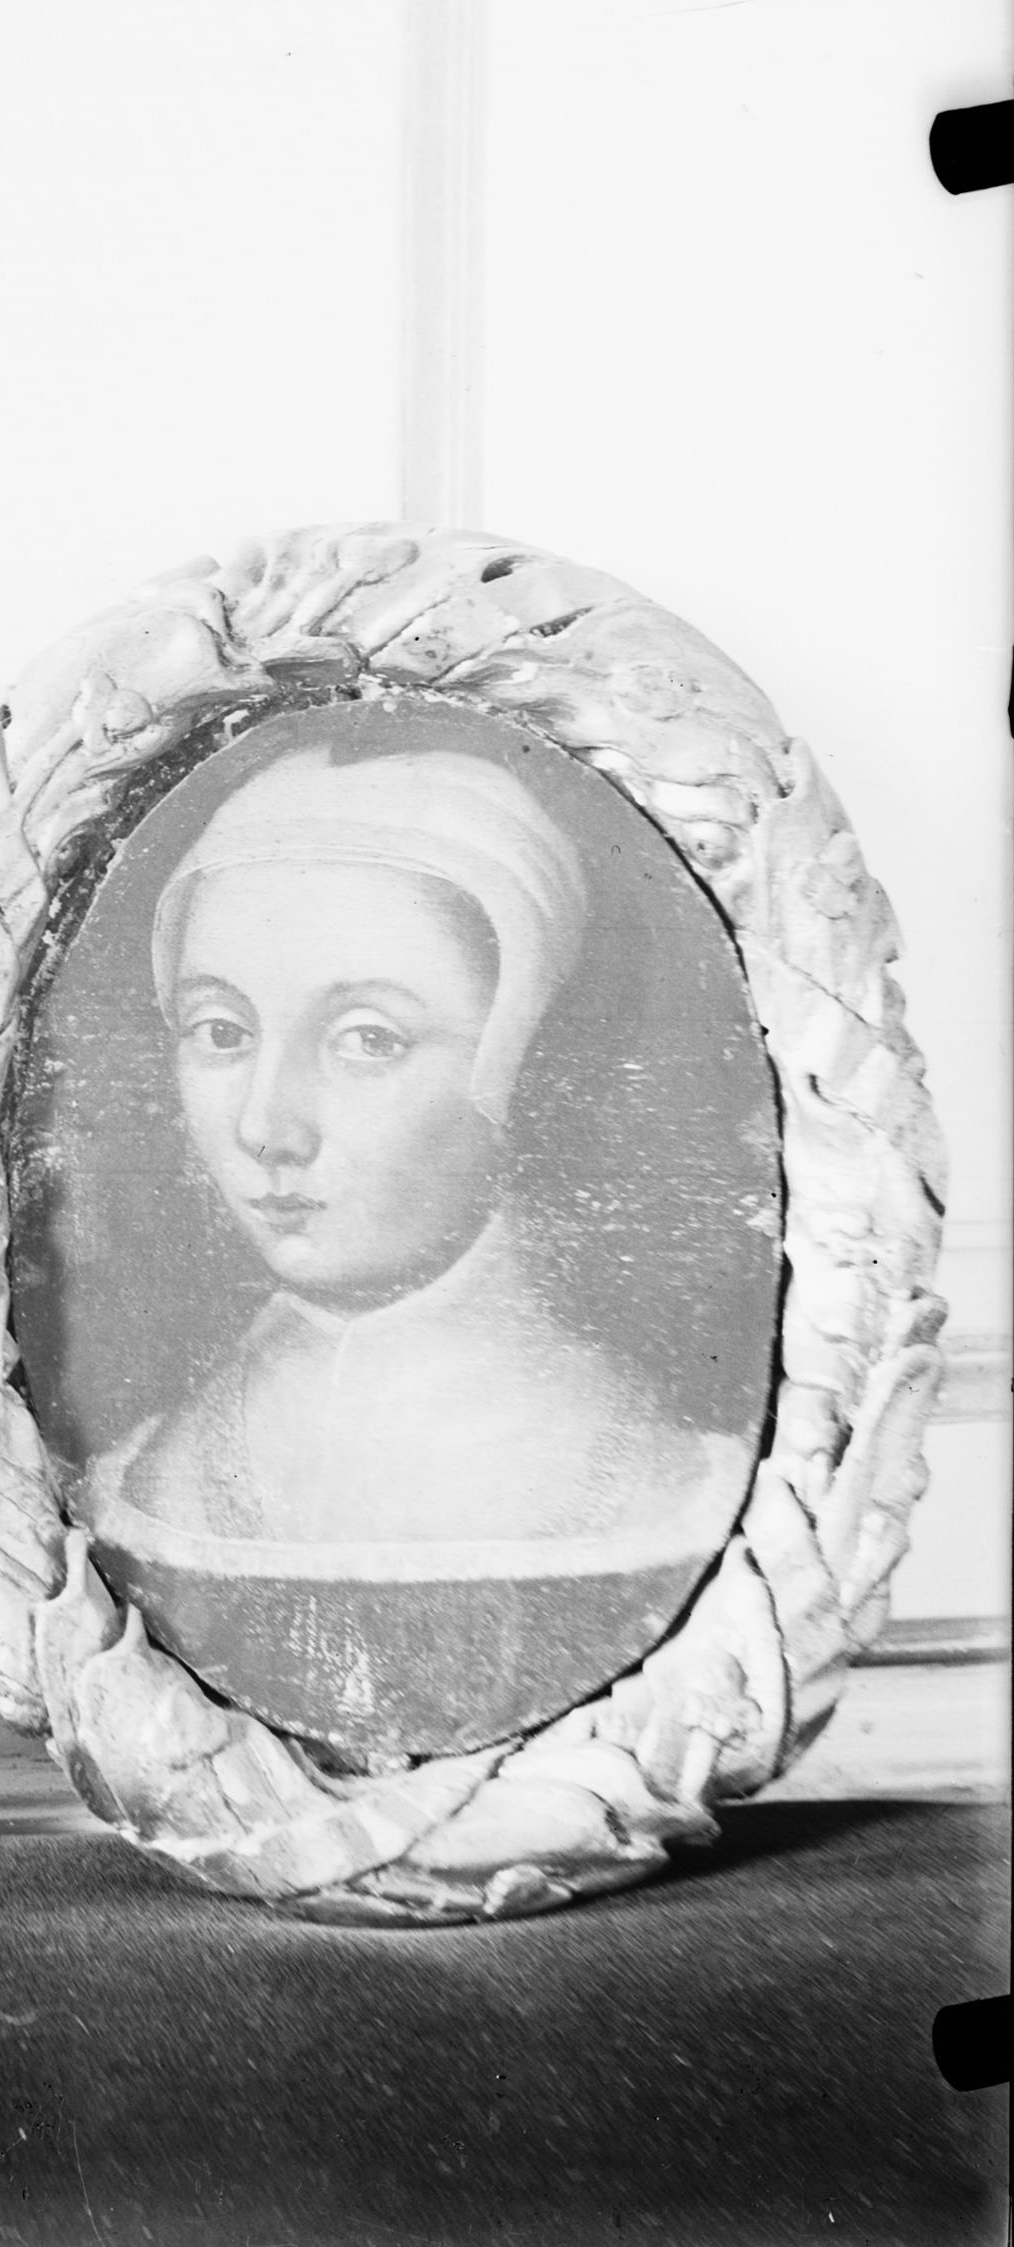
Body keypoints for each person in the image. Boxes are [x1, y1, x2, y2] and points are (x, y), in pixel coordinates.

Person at [70, 739, 753, 1762]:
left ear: (520, 1061)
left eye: (368, 1039)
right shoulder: (148, 1478)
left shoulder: (658, 1482)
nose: (266, 1124)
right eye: (220, 1032)